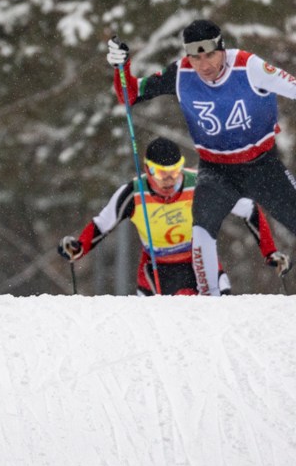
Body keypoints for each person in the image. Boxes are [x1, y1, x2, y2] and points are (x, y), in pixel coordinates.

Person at [106, 19, 296, 294]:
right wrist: (121, 67)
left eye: (210, 55)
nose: (204, 65)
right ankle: (208, 300)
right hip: (216, 169)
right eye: (196, 57)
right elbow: (130, 95)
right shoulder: (182, 73)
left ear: (222, 49)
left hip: (262, 164)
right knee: (202, 229)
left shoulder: (249, 66)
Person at [58, 137, 289, 295]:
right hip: (157, 269)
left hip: (199, 261)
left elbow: (250, 210)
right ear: (148, 170)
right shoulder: (132, 194)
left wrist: (270, 252)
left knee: (222, 313)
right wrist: (78, 248)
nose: (169, 179)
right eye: (161, 174)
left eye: (175, 171)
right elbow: (101, 225)